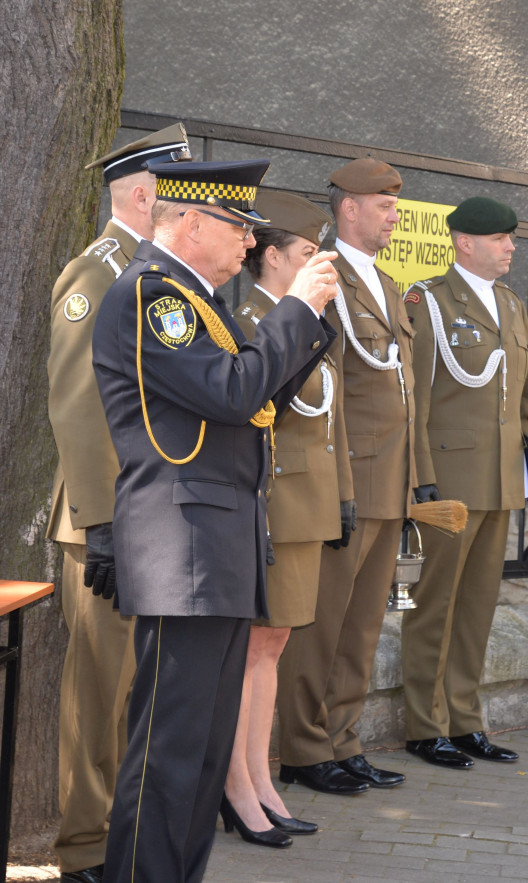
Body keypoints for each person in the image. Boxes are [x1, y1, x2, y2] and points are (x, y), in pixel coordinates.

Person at [92, 159, 339, 883]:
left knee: (201, 754)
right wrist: (292, 308)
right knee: (170, 749)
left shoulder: (200, 301)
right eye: (239, 227)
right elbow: (230, 392)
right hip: (183, 554)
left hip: (217, 548)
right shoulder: (153, 298)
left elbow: (257, 400)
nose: (249, 243)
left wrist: (306, 319)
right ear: (189, 222)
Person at [46, 123, 191, 883]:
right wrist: (101, 522)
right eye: (177, 192)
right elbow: (76, 406)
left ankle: (120, 836)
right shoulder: (97, 274)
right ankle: (83, 852)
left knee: (135, 690)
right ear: (142, 195)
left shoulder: (151, 273)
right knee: (97, 695)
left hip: (149, 518)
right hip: (104, 522)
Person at [276, 158, 417, 793]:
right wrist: (337, 487)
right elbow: (318, 389)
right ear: (348, 209)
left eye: (394, 206)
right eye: (382, 206)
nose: (393, 216)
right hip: (345, 481)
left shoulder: (388, 284)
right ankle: (305, 749)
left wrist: (421, 476)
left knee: (362, 624)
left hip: (390, 477)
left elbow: (407, 389)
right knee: (322, 622)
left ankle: (342, 737)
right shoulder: (320, 277)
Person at [400, 196, 528, 768]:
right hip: (450, 481)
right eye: (501, 238)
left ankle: (464, 720)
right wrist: (421, 479)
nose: (510, 247)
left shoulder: (510, 304)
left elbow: (523, 401)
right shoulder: (428, 302)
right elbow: (417, 399)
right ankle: (423, 724)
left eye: (510, 238)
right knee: (436, 603)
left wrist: (525, 464)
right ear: (464, 243)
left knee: (478, 605)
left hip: (500, 478)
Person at [221, 191, 341, 848]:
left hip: (303, 509)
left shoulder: (305, 317)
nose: (316, 264)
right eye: (303, 253)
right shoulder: (249, 319)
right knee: (254, 649)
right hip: (271, 505)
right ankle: (238, 783)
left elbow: (330, 424)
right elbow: (263, 403)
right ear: (271, 259)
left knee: (272, 647)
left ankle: (260, 776)